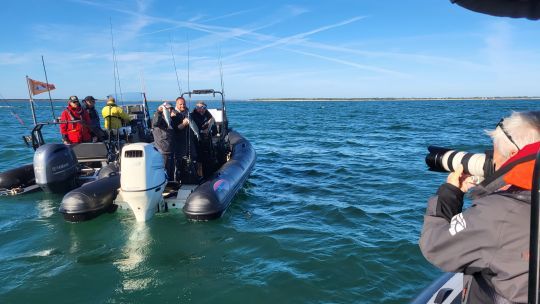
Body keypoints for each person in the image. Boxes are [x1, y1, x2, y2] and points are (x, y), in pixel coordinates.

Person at [419, 111, 540, 303]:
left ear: (514, 155)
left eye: (495, 152)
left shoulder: (502, 212)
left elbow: (434, 246)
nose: (492, 161)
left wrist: (450, 192)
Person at [172, 97, 198, 182]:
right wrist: (183, 123)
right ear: (177, 105)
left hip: (189, 142)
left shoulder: (188, 113)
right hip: (179, 144)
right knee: (178, 163)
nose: (183, 105)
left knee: (192, 160)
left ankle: (192, 179)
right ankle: (177, 182)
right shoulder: (174, 114)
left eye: (184, 104)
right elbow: (176, 128)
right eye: (180, 104)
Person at [190, 101, 218, 177]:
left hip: (207, 142)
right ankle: (199, 176)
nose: (201, 109)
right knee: (198, 160)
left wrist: (209, 129)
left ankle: (208, 176)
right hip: (196, 142)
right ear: (196, 107)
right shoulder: (191, 116)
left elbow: (215, 131)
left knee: (208, 159)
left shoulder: (209, 116)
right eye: (199, 107)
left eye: (203, 107)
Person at [152, 102, 176, 180]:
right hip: (162, 150)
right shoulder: (158, 118)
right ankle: (164, 188)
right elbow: (155, 123)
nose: (169, 110)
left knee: (171, 172)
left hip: (170, 149)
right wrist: (158, 111)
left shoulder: (170, 119)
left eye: (171, 108)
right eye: (168, 108)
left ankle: (171, 186)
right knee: (164, 172)